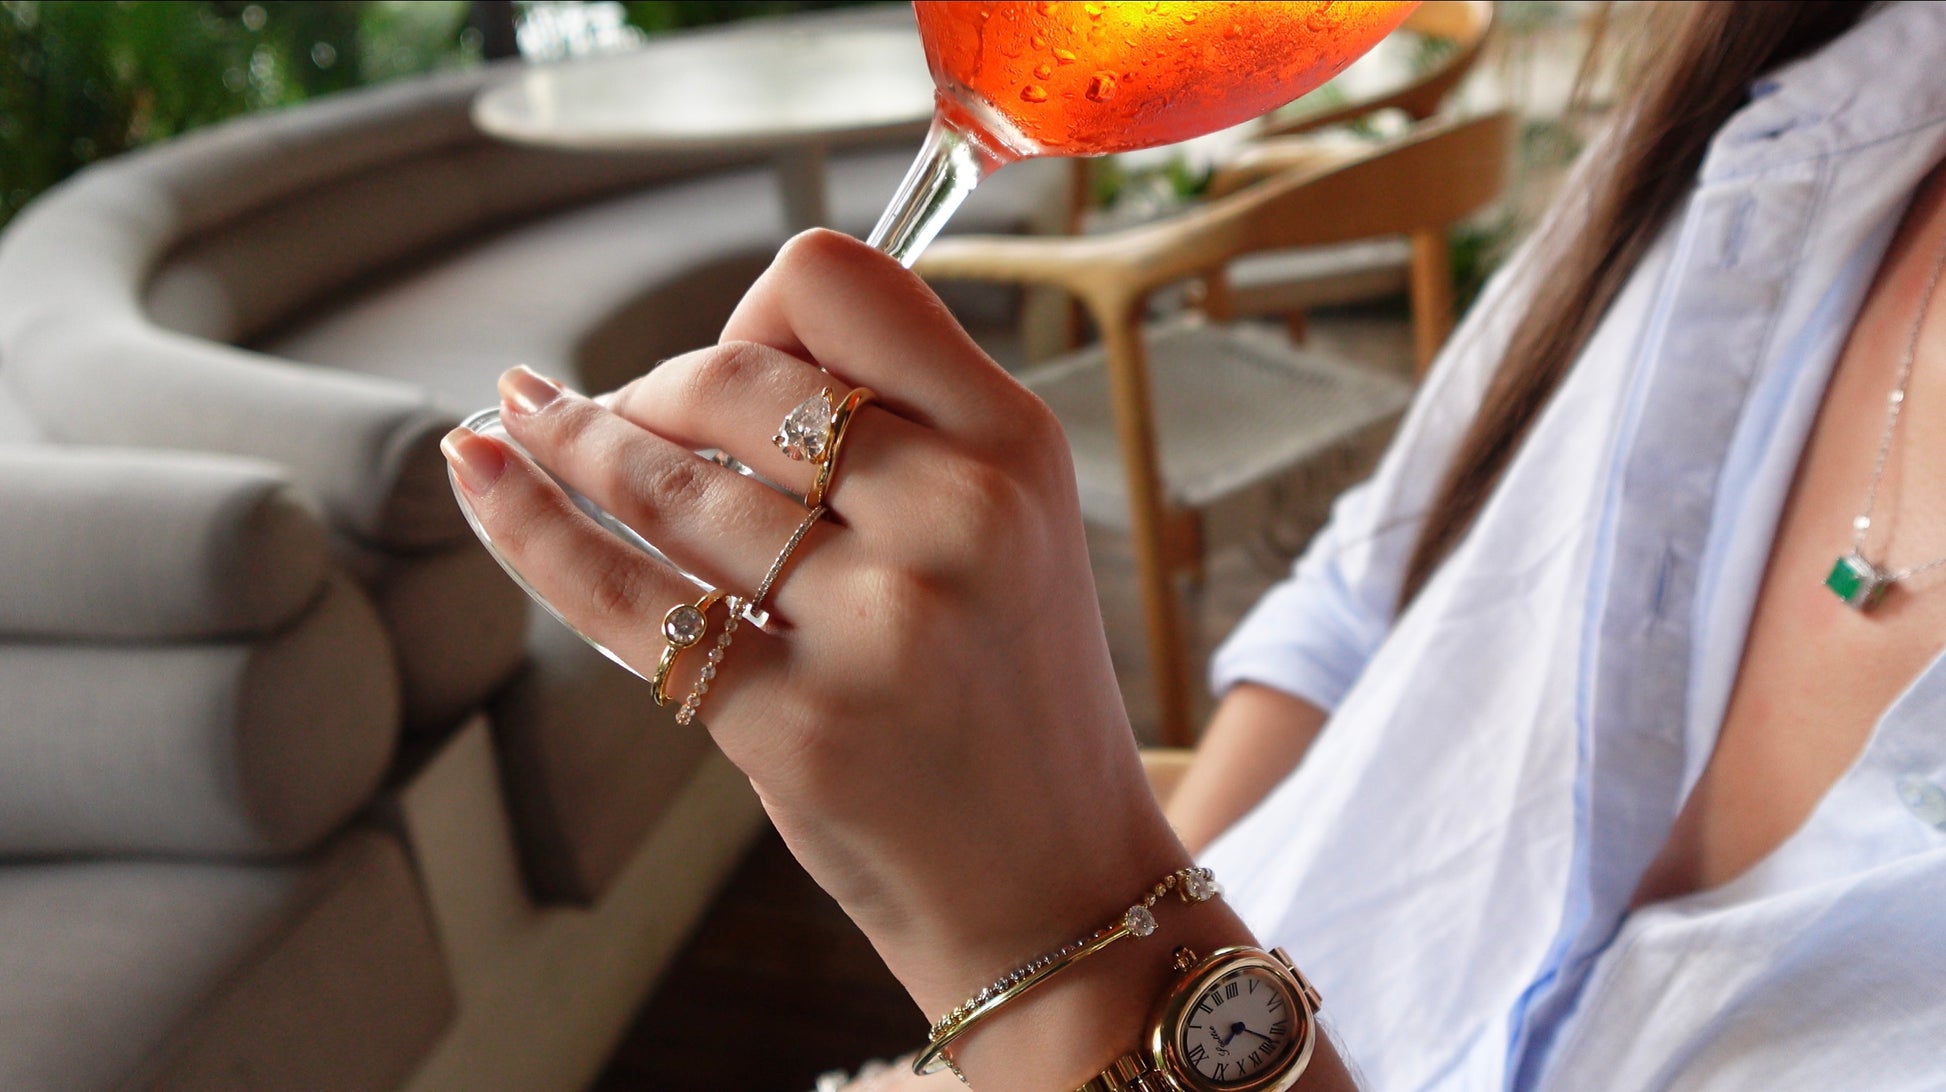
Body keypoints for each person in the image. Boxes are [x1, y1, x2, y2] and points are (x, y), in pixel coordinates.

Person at [441, 1, 1946, 1087]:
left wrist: (1080, 948)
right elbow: (1363, 597)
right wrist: (1160, 889)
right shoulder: (1804, 122)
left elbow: (1085, 946)